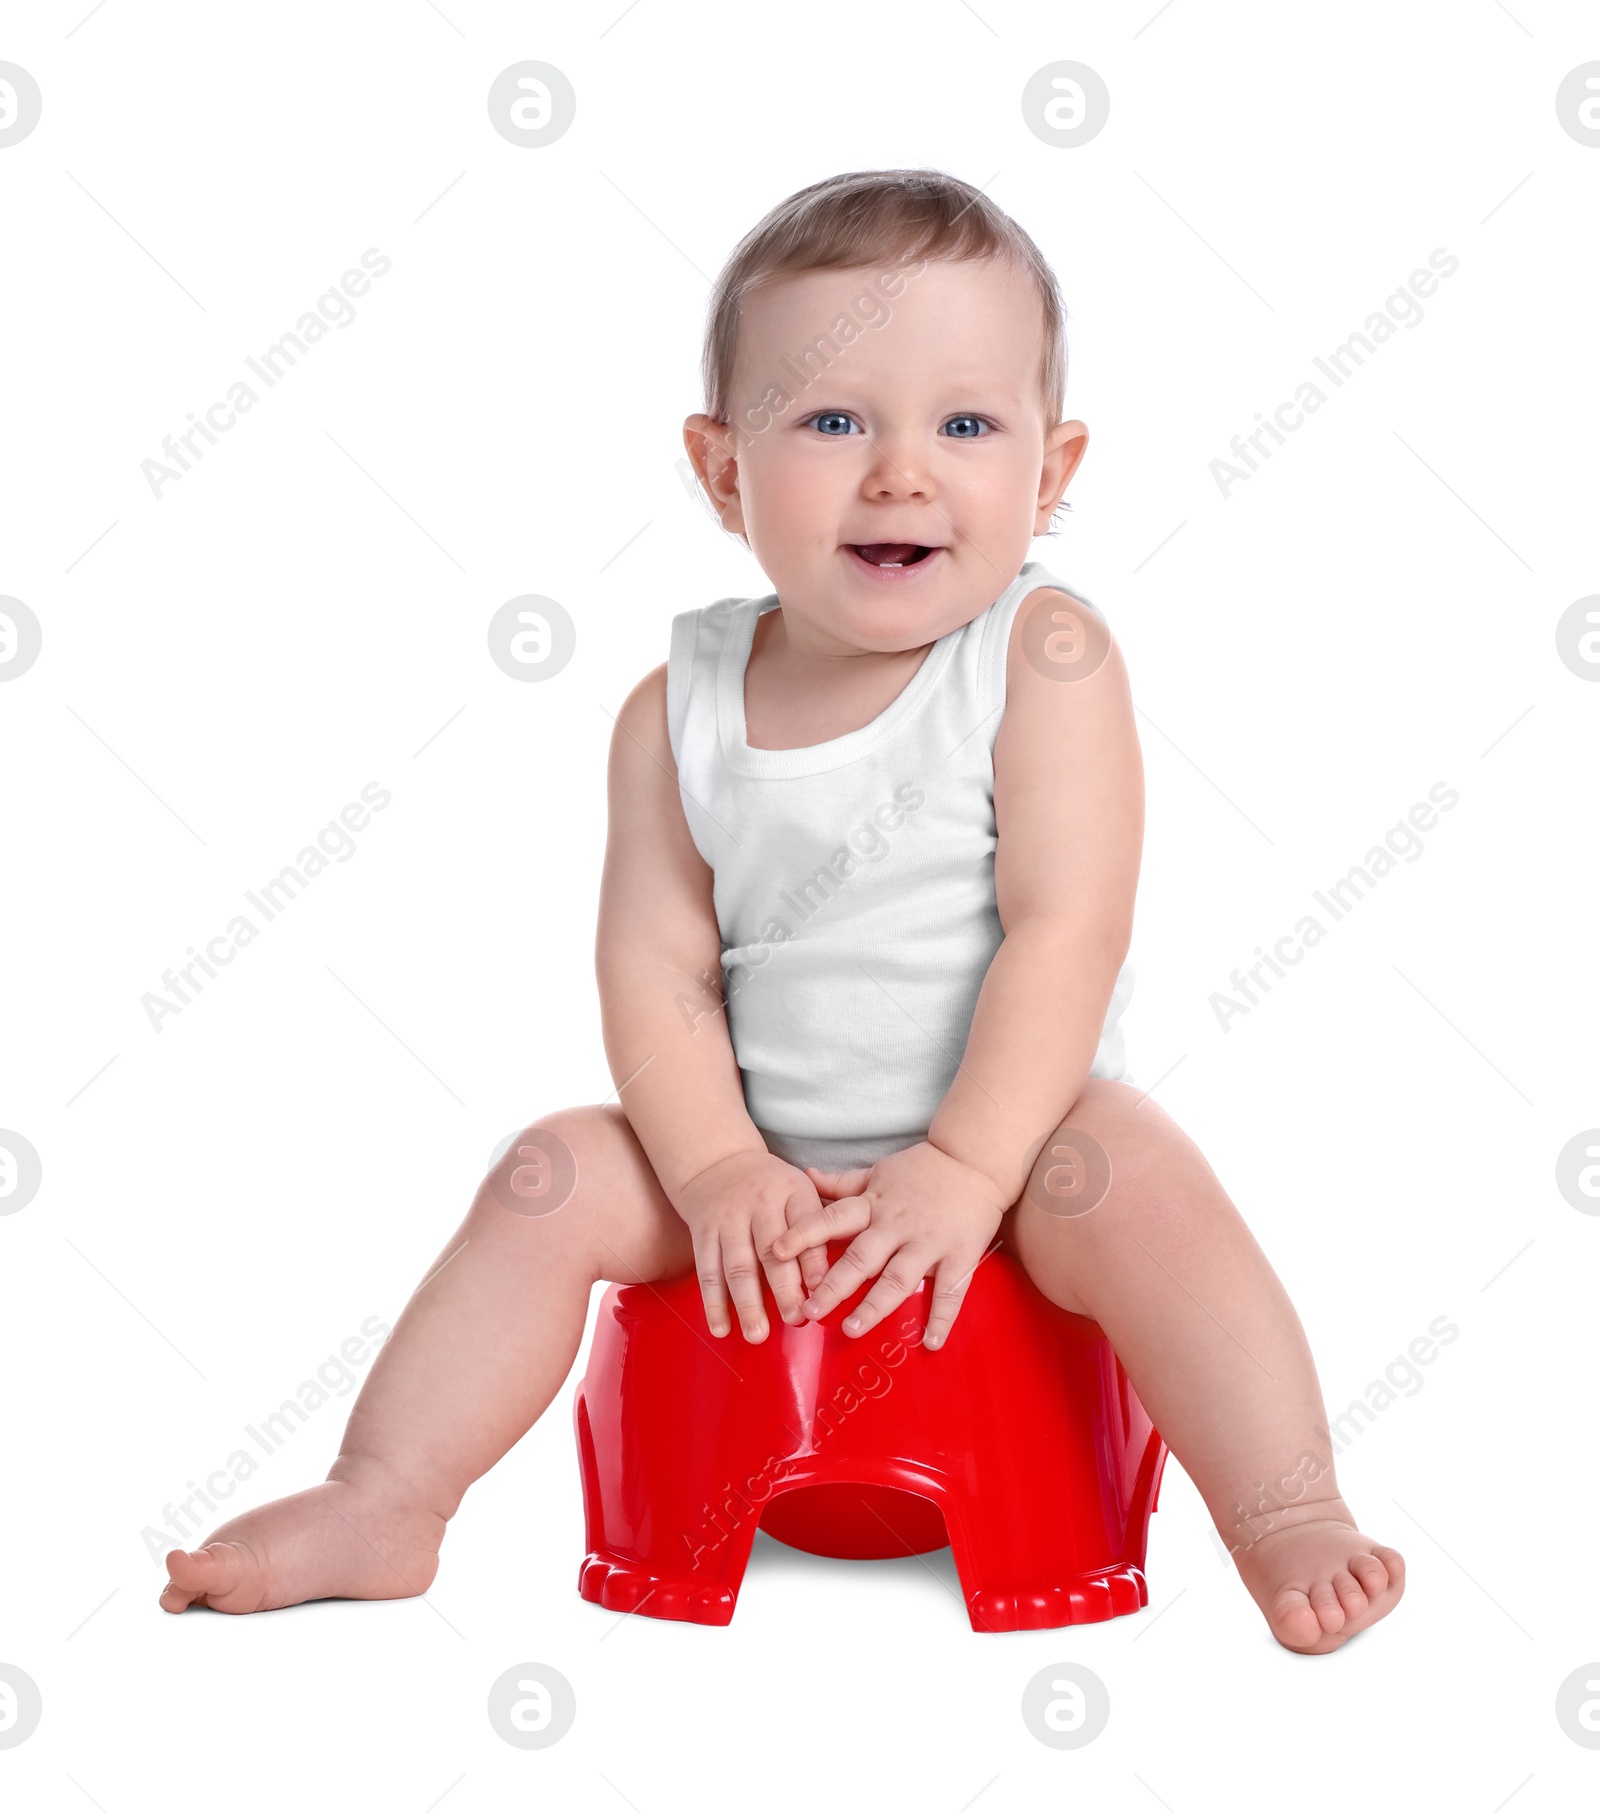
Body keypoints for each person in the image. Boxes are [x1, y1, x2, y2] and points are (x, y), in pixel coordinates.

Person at [160, 167, 1403, 1653]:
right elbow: (655, 967)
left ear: (1052, 467)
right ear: (722, 467)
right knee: (548, 1174)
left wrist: (966, 1161)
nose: (899, 472)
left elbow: (1068, 925)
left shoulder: (1043, 657)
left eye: (965, 423)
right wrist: (712, 1167)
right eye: (830, 419)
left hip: (1017, 1159)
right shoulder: (670, 709)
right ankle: (386, 1493)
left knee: (1137, 1176)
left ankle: (1283, 1507)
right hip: (762, 1167)